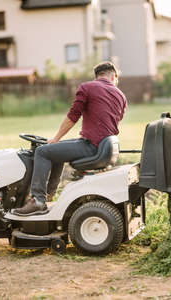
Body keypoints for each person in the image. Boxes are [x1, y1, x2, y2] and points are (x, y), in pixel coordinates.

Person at [13, 61, 127, 216]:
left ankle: (37, 201)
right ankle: (48, 195)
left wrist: (56, 137)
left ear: (97, 76)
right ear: (113, 76)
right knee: (54, 150)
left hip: (91, 146)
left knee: (41, 152)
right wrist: (56, 141)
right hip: (101, 145)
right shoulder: (121, 96)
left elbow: (73, 116)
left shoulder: (87, 87)